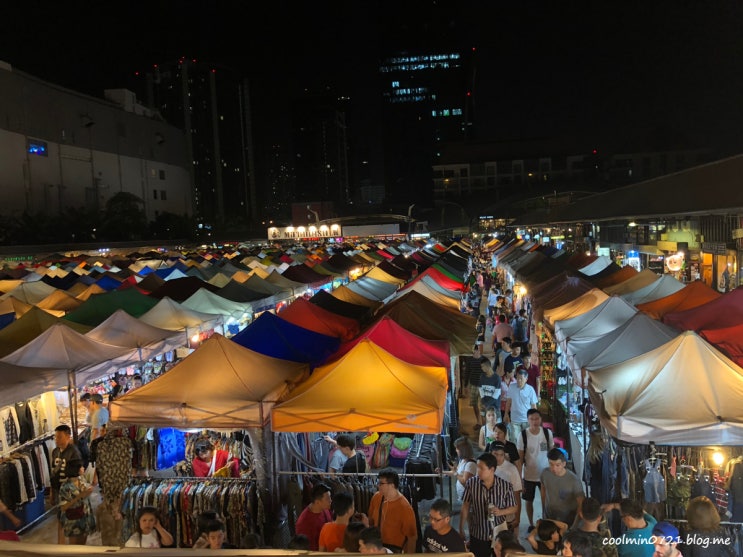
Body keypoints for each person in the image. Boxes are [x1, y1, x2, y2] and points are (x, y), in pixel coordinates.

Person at [459, 453, 517, 557]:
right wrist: (461, 528)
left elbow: (514, 508)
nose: (478, 471)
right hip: (478, 532)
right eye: (477, 467)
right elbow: (465, 506)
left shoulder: (505, 486)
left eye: (481, 468)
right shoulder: (472, 484)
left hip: (499, 534)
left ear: (492, 469)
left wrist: (500, 512)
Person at [517, 408, 553, 529]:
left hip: (545, 474)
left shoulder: (547, 433)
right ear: (527, 420)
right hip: (528, 475)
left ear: (541, 419)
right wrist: (519, 478)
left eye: (537, 418)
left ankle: (544, 522)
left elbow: (552, 453)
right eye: (531, 419)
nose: (534, 421)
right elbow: (520, 458)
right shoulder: (522, 435)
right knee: (529, 500)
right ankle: (531, 524)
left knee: (545, 500)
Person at [367, 468, 418, 553]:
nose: (378, 485)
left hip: (394, 551)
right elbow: (371, 520)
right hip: (377, 547)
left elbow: (412, 537)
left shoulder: (405, 508)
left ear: (392, 485)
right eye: (378, 482)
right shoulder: (376, 497)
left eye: (381, 483)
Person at [51, 424, 83, 544]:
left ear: (68, 437)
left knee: (71, 521)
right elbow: (53, 473)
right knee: (60, 520)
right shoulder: (55, 452)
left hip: (70, 494)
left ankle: (71, 548)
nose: (57, 439)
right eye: (56, 437)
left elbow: (78, 474)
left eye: (59, 437)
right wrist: (52, 493)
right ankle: (61, 546)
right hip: (59, 491)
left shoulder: (74, 453)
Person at [541, 447, 585, 525]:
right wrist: (543, 510)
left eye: (557, 465)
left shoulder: (573, 480)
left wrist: (575, 525)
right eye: (551, 464)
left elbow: (581, 504)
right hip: (549, 517)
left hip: (568, 520)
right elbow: (543, 491)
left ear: (564, 464)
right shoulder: (545, 474)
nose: (554, 468)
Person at [58, 459, 95, 545]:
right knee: (74, 546)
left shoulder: (81, 479)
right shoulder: (65, 487)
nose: (83, 468)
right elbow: (63, 507)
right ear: (75, 469)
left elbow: (85, 492)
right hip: (73, 520)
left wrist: (89, 490)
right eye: (81, 467)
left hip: (85, 517)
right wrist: (79, 496)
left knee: (83, 544)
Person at [489, 441, 522, 532]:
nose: (499, 458)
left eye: (501, 455)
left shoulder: (511, 469)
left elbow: (516, 495)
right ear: (490, 453)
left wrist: (517, 518)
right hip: (489, 515)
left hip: (507, 516)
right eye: (496, 454)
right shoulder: (485, 467)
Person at [295, 483, 333, 550]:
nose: (331, 500)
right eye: (327, 498)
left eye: (330, 497)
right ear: (317, 502)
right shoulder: (304, 523)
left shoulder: (325, 508)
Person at [505, 368, 538, 443]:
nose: (519, 380)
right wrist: (506, 414)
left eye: (521, 379)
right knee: (515, 441)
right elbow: (508, 401)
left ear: (526, 379)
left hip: (527, 420)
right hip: (515, 420)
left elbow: (533, 406)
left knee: (527, 441)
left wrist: (534, 420)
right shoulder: (511, 387)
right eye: (517, 378)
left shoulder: (530, 389)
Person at [449, 436, 477, 502]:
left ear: (463, 450)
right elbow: (456, 472)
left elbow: (465, 482)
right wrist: (442, 472)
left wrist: (455, 473)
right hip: (462, 496)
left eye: (457, 448)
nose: (456, 450)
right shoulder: (462, 460)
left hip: (467, 497)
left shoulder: (470, 464)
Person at [478, 359, 501, 426]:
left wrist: (486, 404)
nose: (482, 368)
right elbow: (481, 390)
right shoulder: (482, 377)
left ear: (488, 366)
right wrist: (483, 402)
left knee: (496, 426)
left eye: (483, 366)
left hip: (494, 406)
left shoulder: (497, 378)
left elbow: (496, 395)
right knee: (485, 425)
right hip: (484, 404)